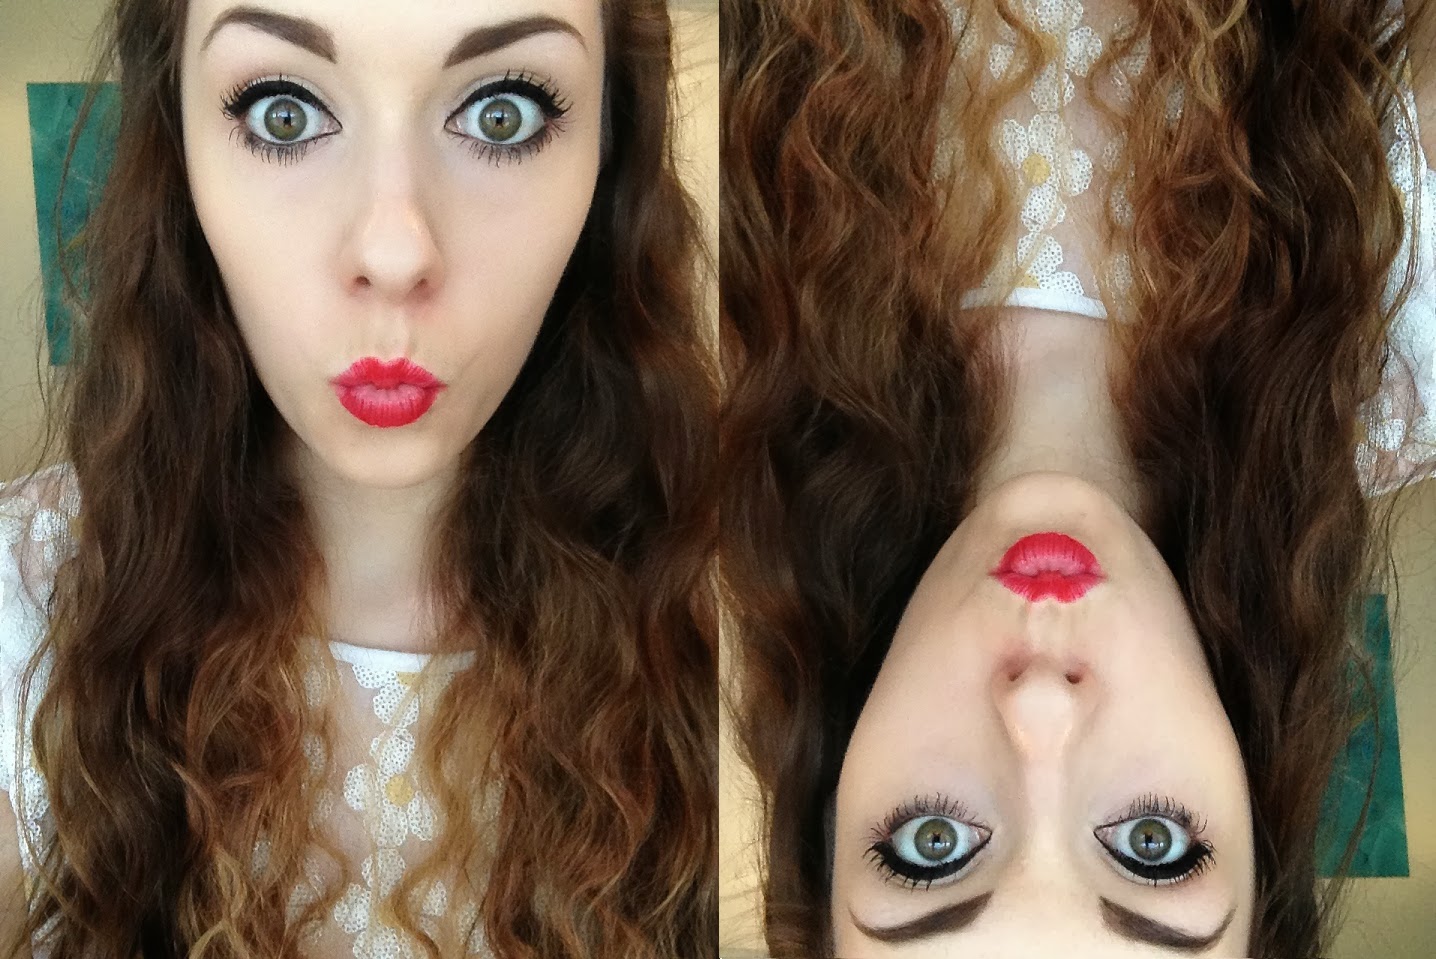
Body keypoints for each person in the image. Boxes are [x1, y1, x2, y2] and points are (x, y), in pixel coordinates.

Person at [0, 0, 717, 956]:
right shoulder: (26, 613)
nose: (394, 252)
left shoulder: (726, 609)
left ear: (608, 153)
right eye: (283, 111)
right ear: (180, 153)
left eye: (502, 111)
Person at [719, 0, 1436, 955]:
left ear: (826, 823)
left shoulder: (715, 332)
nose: (1042, 707)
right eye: (1153, 843)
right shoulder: (1395, 327)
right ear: (1257, 837)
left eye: (933, 845)